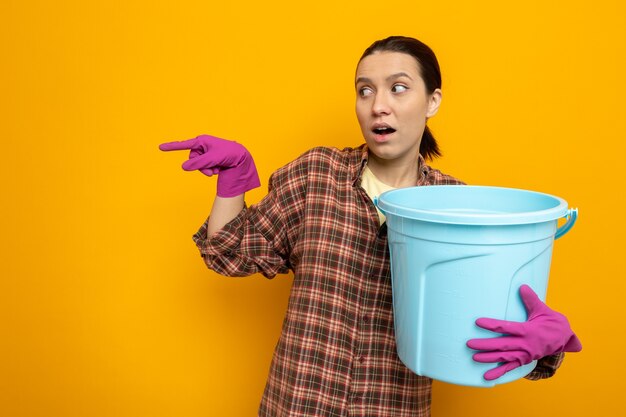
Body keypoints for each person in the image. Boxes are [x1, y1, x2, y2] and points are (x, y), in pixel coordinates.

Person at [160, 36, 582, 417]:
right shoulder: (316, 175)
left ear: (432, 101)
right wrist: (234, 178)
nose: (378, 104)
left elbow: (482, 330)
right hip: (294, 405)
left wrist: (545, 346)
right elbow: (228, 254)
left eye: (398, 88)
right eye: (365, 90)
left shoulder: (457, 206)